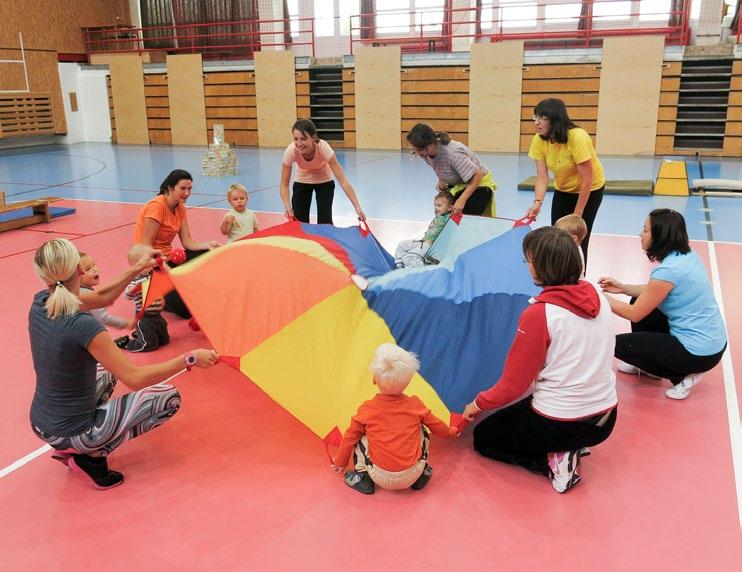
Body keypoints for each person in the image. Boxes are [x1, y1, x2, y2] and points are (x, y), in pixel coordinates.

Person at [29, 239, 219, 490]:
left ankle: (78, 446)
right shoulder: (82, 324)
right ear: (78, 271)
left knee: (107, 371)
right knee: (166, 397)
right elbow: (135, 378)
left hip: (42, 423)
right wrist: (189, 358)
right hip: (70, 431)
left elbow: (102, 297)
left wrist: (137, 267)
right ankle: (92, 457)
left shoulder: (42, 300)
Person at [463, 226, 617, 493]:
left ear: (541, 267)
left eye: (529, 260)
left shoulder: (540, 315)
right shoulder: (596, 293)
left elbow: (514, 386)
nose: (527, 266)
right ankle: (572, 446)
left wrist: (477, 403)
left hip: (562, 424)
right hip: (606, 417)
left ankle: (553, 460)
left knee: (484, 437)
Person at [599, 209, 727, 400]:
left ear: (659, 236)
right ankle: (650, 366)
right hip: (713, 344)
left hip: (698, 353)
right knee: (638, 299)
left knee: (615, 344)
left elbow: (634, 314)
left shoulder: (668, 271)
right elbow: (655, 291)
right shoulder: (686, 255)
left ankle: (683, 377)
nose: (640, 234)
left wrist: (599, 298)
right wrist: (623, 288)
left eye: (645, 230)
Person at [332, 343, 459, 495]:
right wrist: (451, 432)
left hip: (378, 475)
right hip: (413, 473)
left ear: (374, 379)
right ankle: (422, 473)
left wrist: (340, 462)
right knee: (422, 429)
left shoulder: (367, 410)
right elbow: (438, 426)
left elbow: (348, 439)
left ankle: (362, 477)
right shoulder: (415, 405)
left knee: (358, 435)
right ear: (409, 381)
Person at [526, 98, 605, 268]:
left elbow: (587, 180)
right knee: (558, 235)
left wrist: (577, 214)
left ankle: (579, 278)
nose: (537, 123)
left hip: (591, 189)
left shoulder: (577, 137)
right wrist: (537, 202)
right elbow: (541, 176)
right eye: (536, 117)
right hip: (563, 189)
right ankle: (559, 274)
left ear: (555, 120)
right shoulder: (539, 140)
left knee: (578, 236)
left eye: (543, 118)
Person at [134, 169, 220, 319]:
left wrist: (209, 245)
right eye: (182, 188)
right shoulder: (157, 207)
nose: (187, 193)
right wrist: (167, 270)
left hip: (169, 259)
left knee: (209, 254)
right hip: (152, 263)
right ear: (169, 188)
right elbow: (145, 247)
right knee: (186, 311)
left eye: (189, 189)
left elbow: (187, 242)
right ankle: (151, 291)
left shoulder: (180, 207)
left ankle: (186, 286)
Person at [280, 119, 366, 225]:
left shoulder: (323, 148)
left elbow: (342, 180)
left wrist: (357, 206)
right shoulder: (291, 151)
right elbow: (284, 184)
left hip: (324, 179)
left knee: (325, 222)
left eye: (303, 139)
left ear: (313, 137)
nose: (299, 143)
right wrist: (287, 206)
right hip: (303, 179)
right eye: (295, 139)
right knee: (298, 221)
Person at [406, 122, 496, 217]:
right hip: (460, 184)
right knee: (444, 212)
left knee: (458, 219)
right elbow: (442, 164)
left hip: (479, 186)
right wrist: (442, 179)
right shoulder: (427, 154)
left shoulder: (453, 154)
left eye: (419, 150)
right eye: (415, 150)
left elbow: (478, 175)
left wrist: (462, 200)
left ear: (429, 144)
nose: (417, 153)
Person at [123, 249, 169, 353]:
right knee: (148, 345)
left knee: (165, 340)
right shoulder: (134, 280)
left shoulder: (151, 276)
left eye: (151, 262)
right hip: (145, 318)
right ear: (135, 265)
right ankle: (127, 344)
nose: (151, 265)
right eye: (147, 264)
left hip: (157, 315)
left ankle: (141, 334)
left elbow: (157, 290)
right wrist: (133, 290)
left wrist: (161, 299)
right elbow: (127, 295)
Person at [394, 190, 453, 268]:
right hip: (422, 241)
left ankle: (425, 270)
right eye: (435, 205)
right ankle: (399, 267)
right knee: (402, 245)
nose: (436, 208)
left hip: (429, 245)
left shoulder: (448, 218)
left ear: (449, 207)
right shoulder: (439, 216)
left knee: (408, 258)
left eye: (439, 205)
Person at [78, 251, 135, 331]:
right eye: (88, 269)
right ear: (75, 277)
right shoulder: (86, 294)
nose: (94, 269)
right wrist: (126, 323)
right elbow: (103, 318)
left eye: (94, 264)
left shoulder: (77, 291)